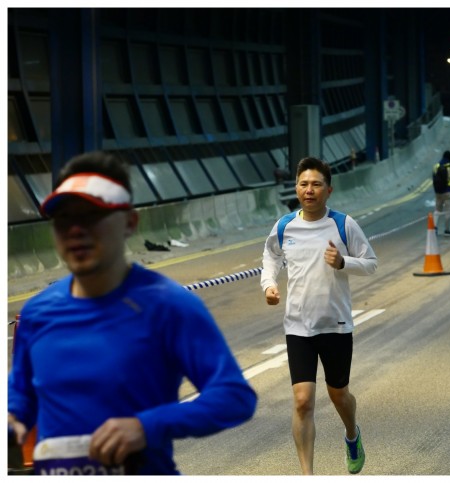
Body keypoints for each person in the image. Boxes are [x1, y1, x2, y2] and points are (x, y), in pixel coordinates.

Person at [7, 151, 257, 475]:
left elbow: (234, 396)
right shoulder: (37, 312)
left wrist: (146, 426)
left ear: (130, 222)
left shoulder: (168, 305)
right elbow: (23, 393)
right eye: (64, 219)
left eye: (92, 215)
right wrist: (12, 419)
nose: (75, 229)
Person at [260, 157, 377, 475]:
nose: (308, 190)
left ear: (329, 190)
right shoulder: (284, 226)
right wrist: (269, 284)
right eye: (303, 184)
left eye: (315, 184)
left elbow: (370, 263)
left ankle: (351, 434)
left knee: (339, 395)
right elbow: (270, 257)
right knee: (302, 401)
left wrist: (343, 262)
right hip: (298, 326)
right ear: (296, 188)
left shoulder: (343, 224)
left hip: (335, 325)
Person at [432, 150, 450, 236]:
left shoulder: (436, 166)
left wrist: (436, 191)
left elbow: (434, 179)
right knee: (448, 211)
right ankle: (447, 229)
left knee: (437, 210)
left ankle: (434, 228)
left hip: (438, 192)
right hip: (448, 192)